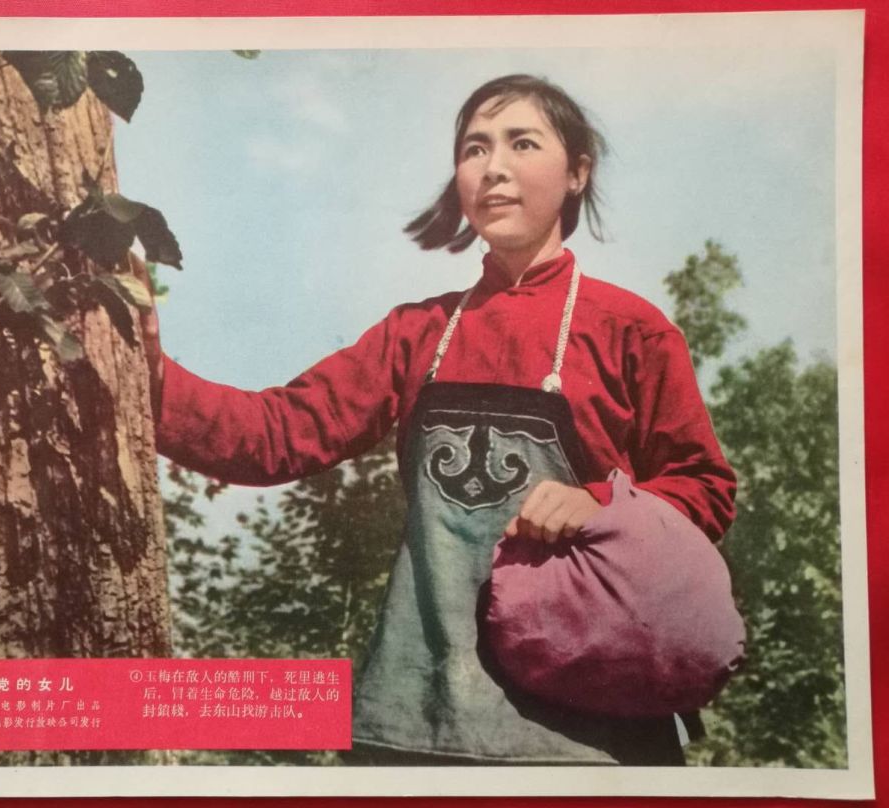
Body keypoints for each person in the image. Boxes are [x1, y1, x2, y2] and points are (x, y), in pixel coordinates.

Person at [138, 74, 737, 766]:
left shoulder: (632, 331)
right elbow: (274, 435)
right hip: (416, 720)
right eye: (475, 149)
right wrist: (147, 373)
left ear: (576, 173)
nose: (495, 168)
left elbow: (705, 490)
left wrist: (597, 504)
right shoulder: (417, 334)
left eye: (522, 143)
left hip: (586, 736)